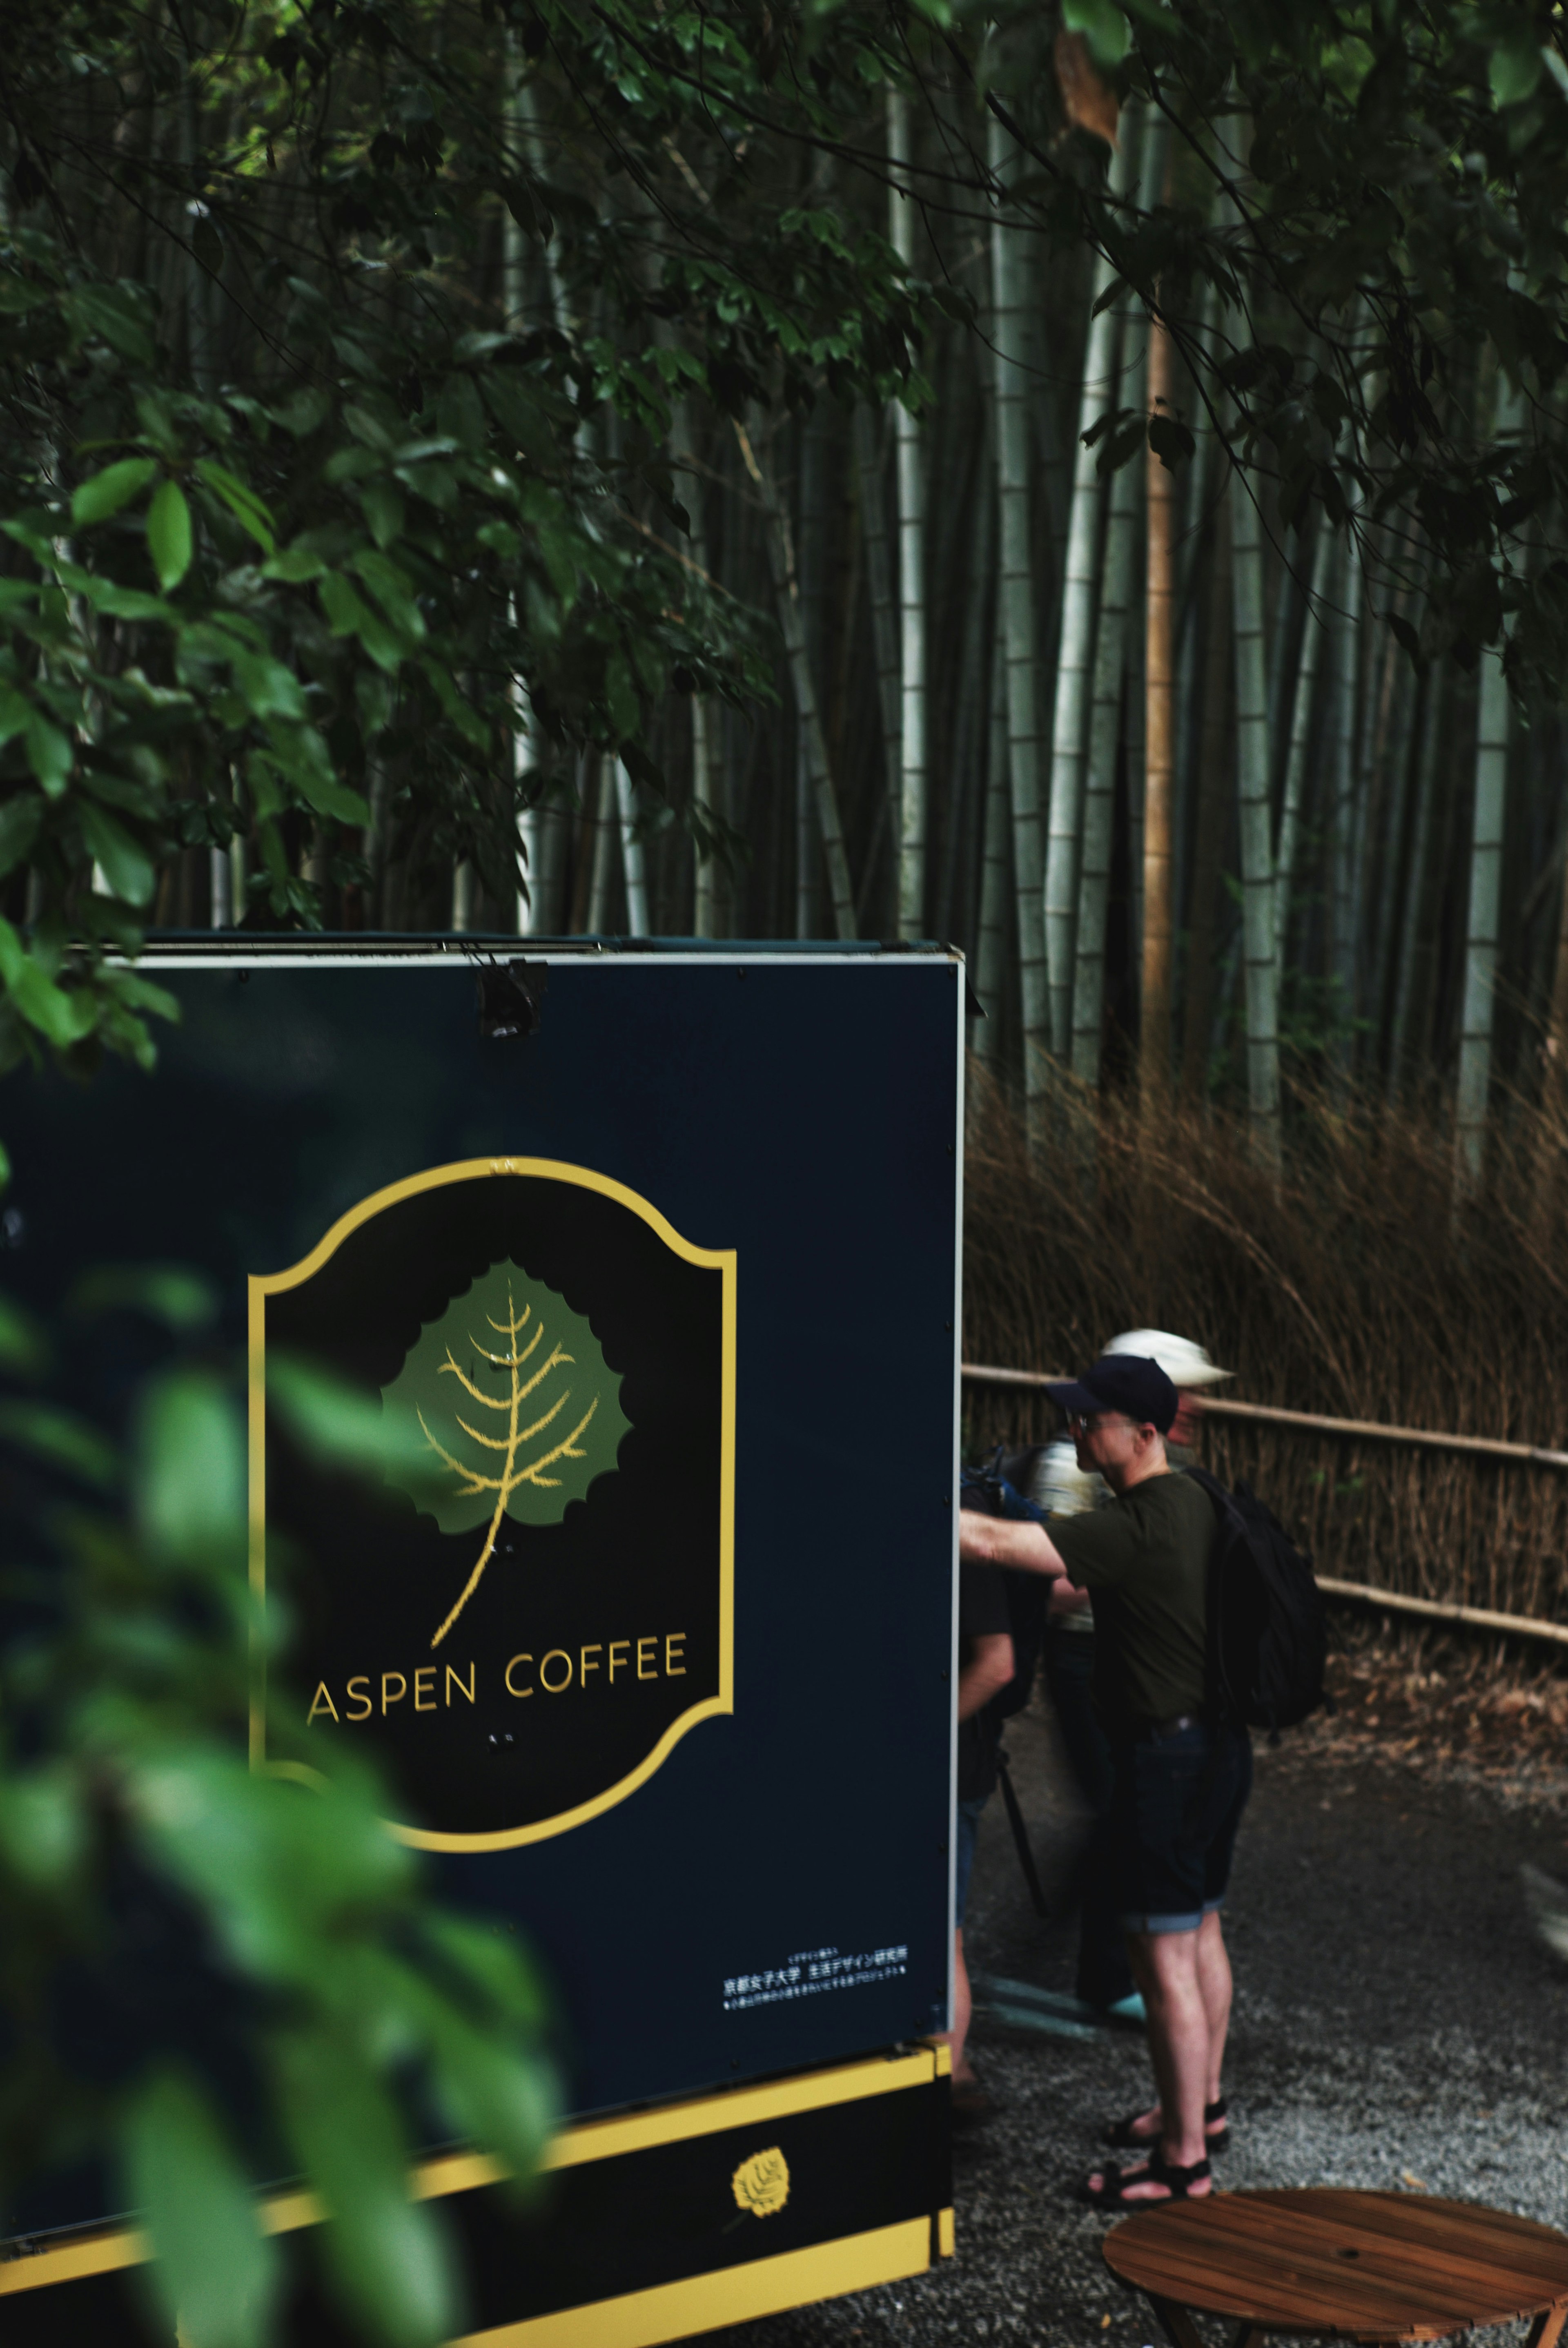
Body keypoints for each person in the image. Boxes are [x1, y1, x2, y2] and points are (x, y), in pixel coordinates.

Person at [958, 1352, 1251, 2208]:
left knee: (1161, 1959)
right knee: (1201, 1933)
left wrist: (900, 1493)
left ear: (1146, 1433)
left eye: (1093, 1420)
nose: (1077, 1431)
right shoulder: (1195, 1498)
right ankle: (1200, 2109)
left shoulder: (1135, 1523)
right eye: (1075, 1417)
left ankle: (1182, 2164)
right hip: (1220, 1749)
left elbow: (991, 1543)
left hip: (1165, 1764)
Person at [1040, 1331, 1233, 2020]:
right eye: (1186, 1392)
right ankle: (1100, 1966)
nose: (1196, 1406)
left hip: (1155, 1669)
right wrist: (1119, 1565)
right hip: (1086, 1657)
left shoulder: (1179, 1482)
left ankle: (1094, 1958)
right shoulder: (1078, 1465)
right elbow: (1052, 1577)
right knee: (1117, 1810)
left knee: (1124, 1815)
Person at [947, 1557, 1016, 2121]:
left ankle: (947, 2079)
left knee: (942, 1938)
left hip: (950, 1770)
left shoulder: (966, 1528)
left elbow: (997, 1664)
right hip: (945, 1765)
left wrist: (917, 1737)